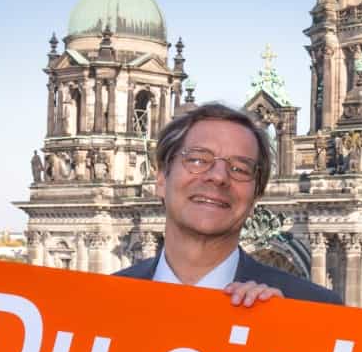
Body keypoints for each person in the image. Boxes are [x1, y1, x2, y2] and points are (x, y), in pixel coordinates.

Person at [115, 103, 341, 307]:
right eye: (198, 160)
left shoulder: (314, 308)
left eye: (239, 169)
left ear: (256, 198)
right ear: (161, 179)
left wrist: (287, 337)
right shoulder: (98, 302)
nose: (218, 177)